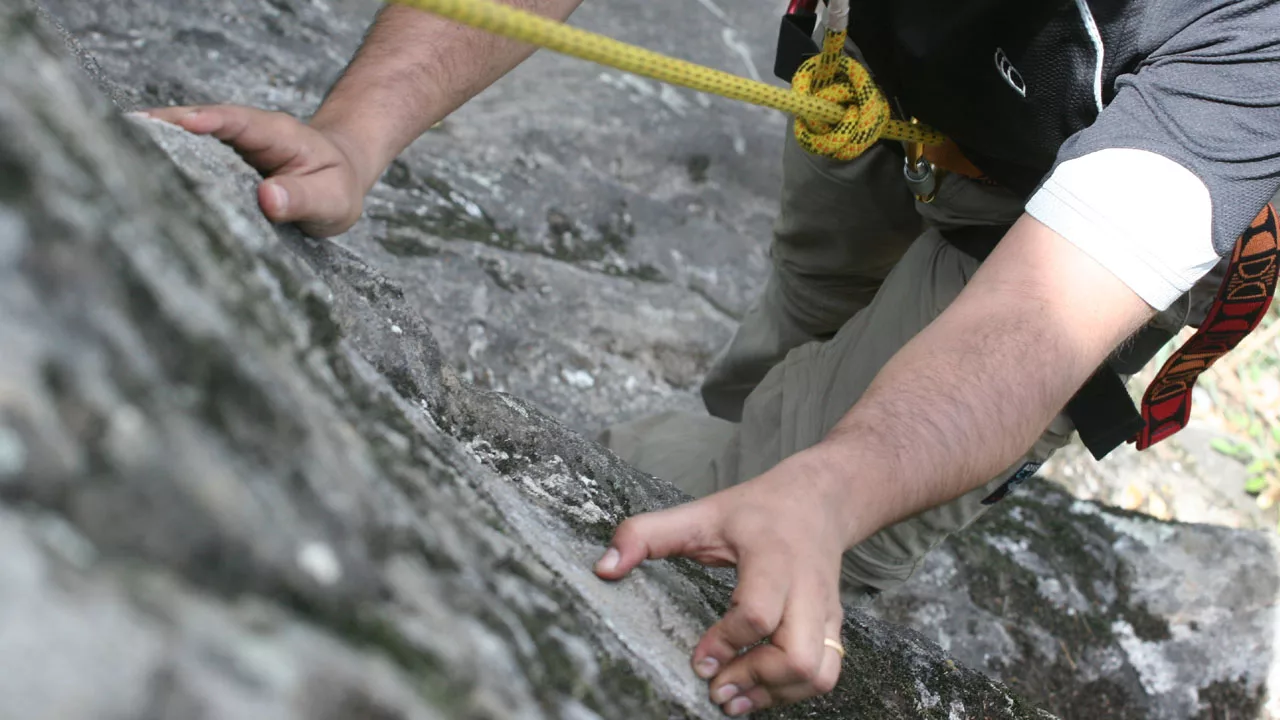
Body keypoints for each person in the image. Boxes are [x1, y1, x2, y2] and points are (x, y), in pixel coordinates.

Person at [143, 0, 1280, 714]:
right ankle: (748, 449)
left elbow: (1036, 316)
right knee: (785, 336)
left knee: (797, 472)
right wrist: (355, 133)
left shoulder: (1244, 41)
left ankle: (761, 516)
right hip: (883, 84)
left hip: (1048, 223)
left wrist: (831, 491)